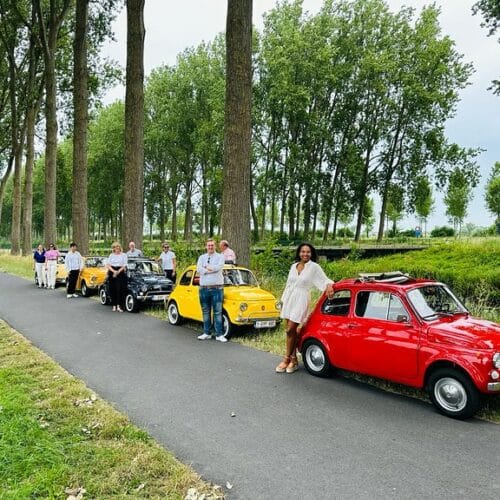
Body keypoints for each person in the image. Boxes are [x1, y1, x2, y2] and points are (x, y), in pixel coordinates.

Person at [276, 242, 334, 374]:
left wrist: (329, 285)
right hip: (289, 298)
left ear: (311, 253)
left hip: (301, 299)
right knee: (290, 332)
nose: (305, 254)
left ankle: (286, 358)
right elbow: (288, 284)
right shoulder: (293, 266)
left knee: (291, 329)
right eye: (303, 251)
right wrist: (283, 300)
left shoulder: (314, 267)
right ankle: (293, 360)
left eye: (308, 252)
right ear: (299, 253)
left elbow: (325, 280)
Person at [196, 238, 227, 342]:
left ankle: (219, 335)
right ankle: (207, 333)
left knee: (218, 312)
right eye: (208, 245)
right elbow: (199, 269)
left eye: (212, 245)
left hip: (217, 289)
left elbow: (218, 268)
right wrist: (209, 269)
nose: (210, 247)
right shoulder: (201, 257)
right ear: (206, 246)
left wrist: (206, 268)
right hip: (203, 289)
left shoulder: (220, 257)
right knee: (205, 311)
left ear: (215, 246)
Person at [106, 242, 128, 312]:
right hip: (112, 272)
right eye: (115, 247)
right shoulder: (111, 255)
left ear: (120, 247)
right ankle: (114, 305)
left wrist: (118, 272)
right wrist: (114, 271)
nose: (117, 248)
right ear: (113, 248)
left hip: (120, 272)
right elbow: (108, 265)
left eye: (118, 247)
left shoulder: (124, 255)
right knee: (112, 289)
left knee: (120, 289)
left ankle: (119, 305)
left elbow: (124, 265)